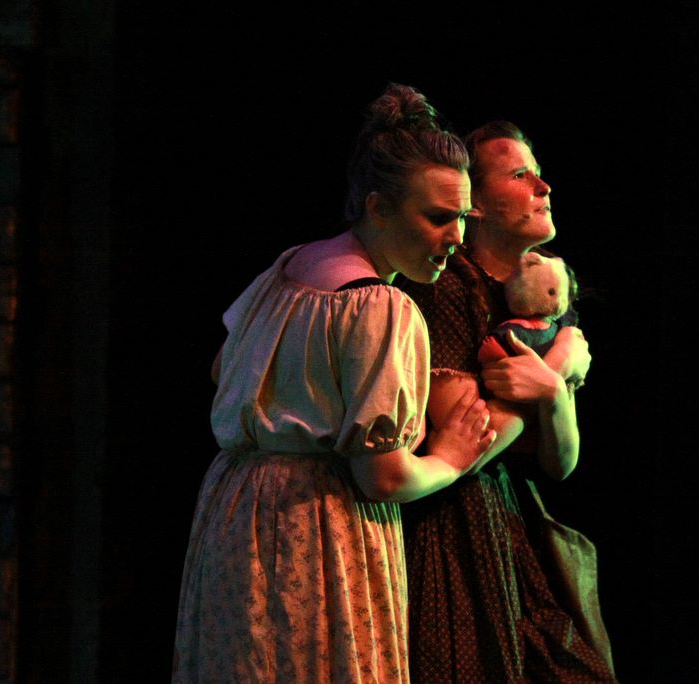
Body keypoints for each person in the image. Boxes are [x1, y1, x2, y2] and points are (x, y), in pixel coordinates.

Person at [173, 84, 497, 683]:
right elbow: (384, 477)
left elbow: (224, 369)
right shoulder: (381, 307)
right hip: (316, 529)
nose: (456, 237)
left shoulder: (291, 266)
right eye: (438, 217)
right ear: (377, 208)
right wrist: (451, 458)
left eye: (463, 218)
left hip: (235, 515)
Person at [399, 121, 615, 682]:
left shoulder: (547, 293)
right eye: (520, 175)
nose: (543, 187)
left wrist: (554, 394)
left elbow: (560, 464)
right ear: (474, 204)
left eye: (537, 173)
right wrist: (555, 371)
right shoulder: (444, 284)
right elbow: (464, 441)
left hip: (518, 524)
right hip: (450, 528)